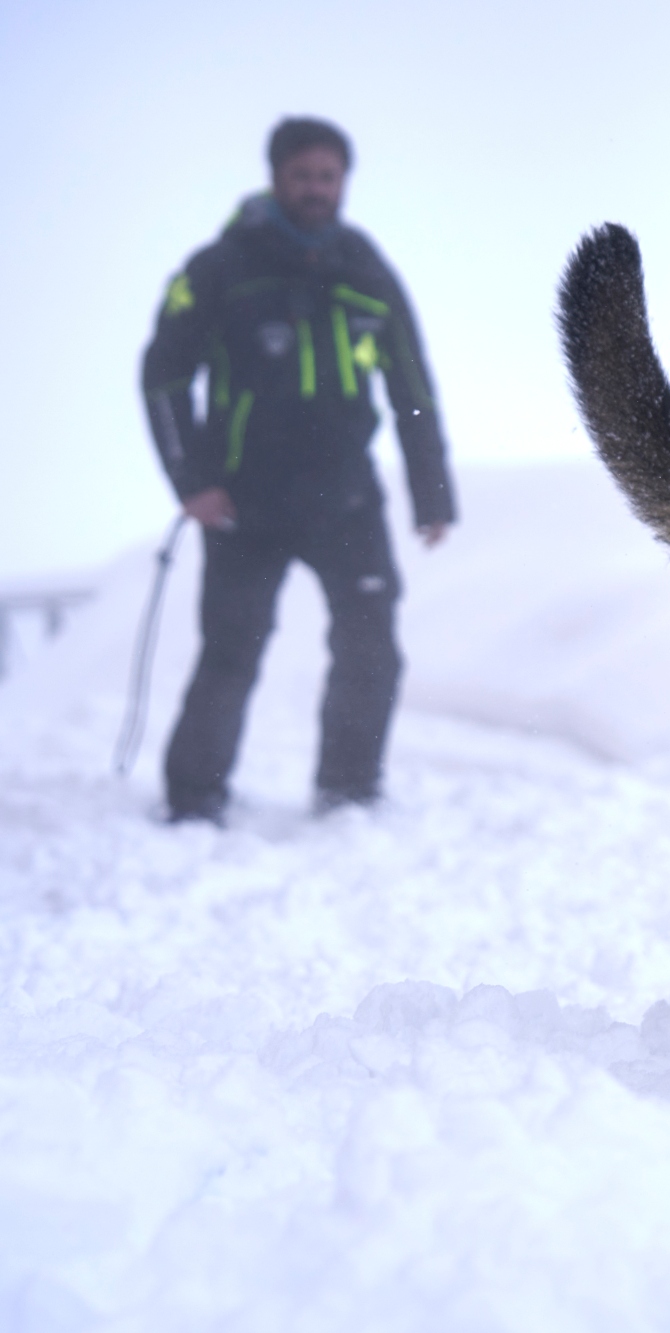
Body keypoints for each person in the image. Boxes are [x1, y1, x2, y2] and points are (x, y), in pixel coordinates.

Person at [141, 116, 456, 823]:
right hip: (243, 503)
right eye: (302, 175)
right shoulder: (219, 269)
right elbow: (163, 375)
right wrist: (191, 482)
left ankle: (348, 791)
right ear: (277, 177)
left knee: (371, 648)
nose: (316, 188)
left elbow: (411, 386)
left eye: (328, 176)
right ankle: (193, 800)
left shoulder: (366, 269)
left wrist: (431, 493)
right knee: (231, 652)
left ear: (343, 181)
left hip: (347, 499)